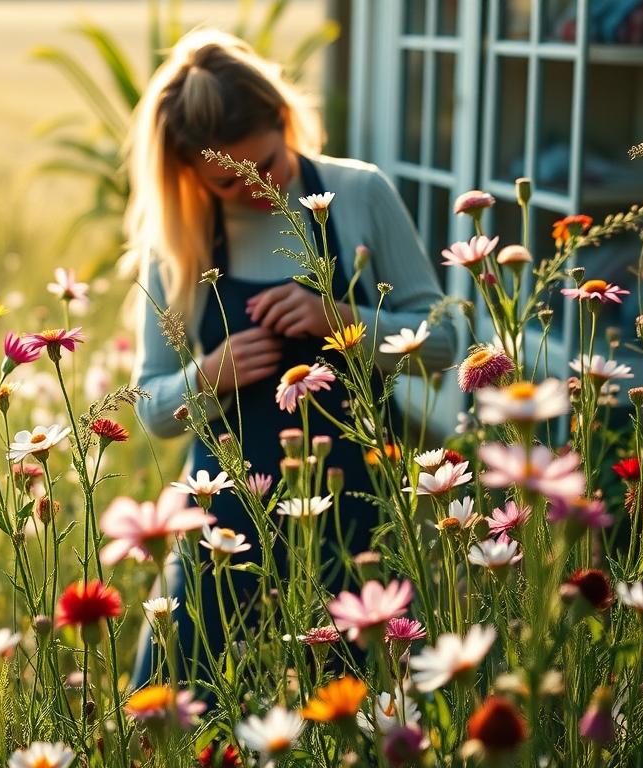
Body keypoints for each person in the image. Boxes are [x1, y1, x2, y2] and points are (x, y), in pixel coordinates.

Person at [124, 29, 459, 689]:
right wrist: (208, 374)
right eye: (228, 179)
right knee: (171, 702)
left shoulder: (359, 193)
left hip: (357, 507)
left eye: (270, 164)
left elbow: (444, 341)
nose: (259, 186)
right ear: (188, 170)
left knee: (369, 710)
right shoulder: (176, 237)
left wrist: (342, 320)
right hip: (224, 523)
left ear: (285, 122)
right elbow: (152, 408)